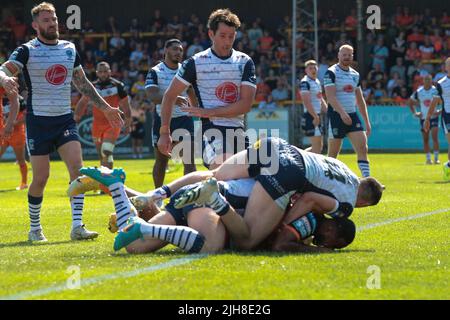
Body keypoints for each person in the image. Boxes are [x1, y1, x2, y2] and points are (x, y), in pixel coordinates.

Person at [0, 2, 123, 242]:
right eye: (46, 20)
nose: (52, 23)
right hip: (38, 121)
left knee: (78, 172)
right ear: (35, 25)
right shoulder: (27, 50)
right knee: (41, 178)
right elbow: (3, 69)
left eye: (54, 19)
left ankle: (77, 226)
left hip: (64, 120)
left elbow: (83, 83)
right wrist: (5, 80)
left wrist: (106, 108)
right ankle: (35, 228)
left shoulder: (69, 48)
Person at [76, 166, 356, 254]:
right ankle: (144, 224)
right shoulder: (309, 217)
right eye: (335, 243)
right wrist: (320, 251)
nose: (330, 245)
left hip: (194, 198)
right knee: (210, 247)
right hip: (207, 202)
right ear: (332, 229)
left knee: (135, 248)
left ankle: (114, 186)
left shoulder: (261, 173)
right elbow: (282, 242)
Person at [175, 137, 383, 250]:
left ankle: (157, 193)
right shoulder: (346, 205)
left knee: (215, 174)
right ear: (364, 204)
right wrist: (284, 223)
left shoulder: (342, 166)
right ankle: (216, 201)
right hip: (291, 171)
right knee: (247, 240)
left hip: (277, 146)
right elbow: (309, 199)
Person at [157, 8, 256, 169]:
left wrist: (210, 112)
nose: (227, 41)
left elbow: (245, 105)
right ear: (211, 34)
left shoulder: (245, 61)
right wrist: (164, 132)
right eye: (222, 36)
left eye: (231, 36)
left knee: (249, 181)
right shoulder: (195, 62)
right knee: (222, 169)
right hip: (212, 131)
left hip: (238, 131)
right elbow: (169, 96)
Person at [145, 39, 197, 193]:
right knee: (161, 161)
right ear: (165, 50)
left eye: (180, 50)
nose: (178, 53)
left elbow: (192, 93)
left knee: (189, 161)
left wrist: (197, 110)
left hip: (184, 119)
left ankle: (190, 195)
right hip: (162, 120)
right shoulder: (155, 71)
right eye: (175, 49)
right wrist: (174, 98)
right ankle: (157, 197)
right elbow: (152, 96)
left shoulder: (186, 71)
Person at [324, 45, 372, 178]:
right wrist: (342, 113)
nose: (347, 57)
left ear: (352, 56)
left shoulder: (355, 74)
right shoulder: (331, 72)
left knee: (363, 147)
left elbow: (360, 99)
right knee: (333, 154)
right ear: (338, 55)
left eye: (349, 55)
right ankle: (327, 180)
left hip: (352, 115)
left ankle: (367, 180)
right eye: (344, 55)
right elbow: (330, 97)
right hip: (336, 115)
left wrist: (367, 122)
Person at [75, 61, 132, 169]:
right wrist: (76, 117)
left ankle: (110, 181)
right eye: (100, 72)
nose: (103, 74)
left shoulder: (118, 86)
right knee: (102, 156)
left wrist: (128, 123)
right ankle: (106, 181)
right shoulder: (92, 87)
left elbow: (126, 106)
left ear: (110, 72)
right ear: (97, 73)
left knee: (106, 151)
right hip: (96, 125)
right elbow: (82, 103)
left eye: (105, 71)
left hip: (113, 123)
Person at [424, 57, 450, 180]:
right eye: (448, 64)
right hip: (448, 116)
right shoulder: (441, 83)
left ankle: (448, 165)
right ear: (446, 68)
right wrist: (428, 118)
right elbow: (434, 102)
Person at [408, 74, 441, 164]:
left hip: (434, 117)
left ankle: (436, 158)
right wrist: (415, 113)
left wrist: (440, 111)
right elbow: (410, 102)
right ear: (423, 81)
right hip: (424, 118)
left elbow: (445, 100)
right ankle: (428, 158)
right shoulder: (419, 91)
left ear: (431, 81)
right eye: (426, 80)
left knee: (434, 136)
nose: (427, 81)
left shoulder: (436, 90)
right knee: (426, 139)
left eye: (429, 80)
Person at [0, 95, 28, 190]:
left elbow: (25, 117)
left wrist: (12, 123)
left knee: (20, 159)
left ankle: (24, 183)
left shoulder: (19, 99)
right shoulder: (2, 98)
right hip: (3, 133)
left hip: (17, 134)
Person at [300, 60, 328, 154]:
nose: (313, 70)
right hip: (311, 116)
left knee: (318, 147)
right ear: (306, 70)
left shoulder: (317, 81)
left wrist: (329, 111)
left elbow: (320, 98)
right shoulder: (305, 82)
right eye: (310, 68)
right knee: (317, 148)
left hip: (317, 116)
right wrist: (315, 116)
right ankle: (315, 167)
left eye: (314, 68)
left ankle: (300, 158)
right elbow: (306, 101)